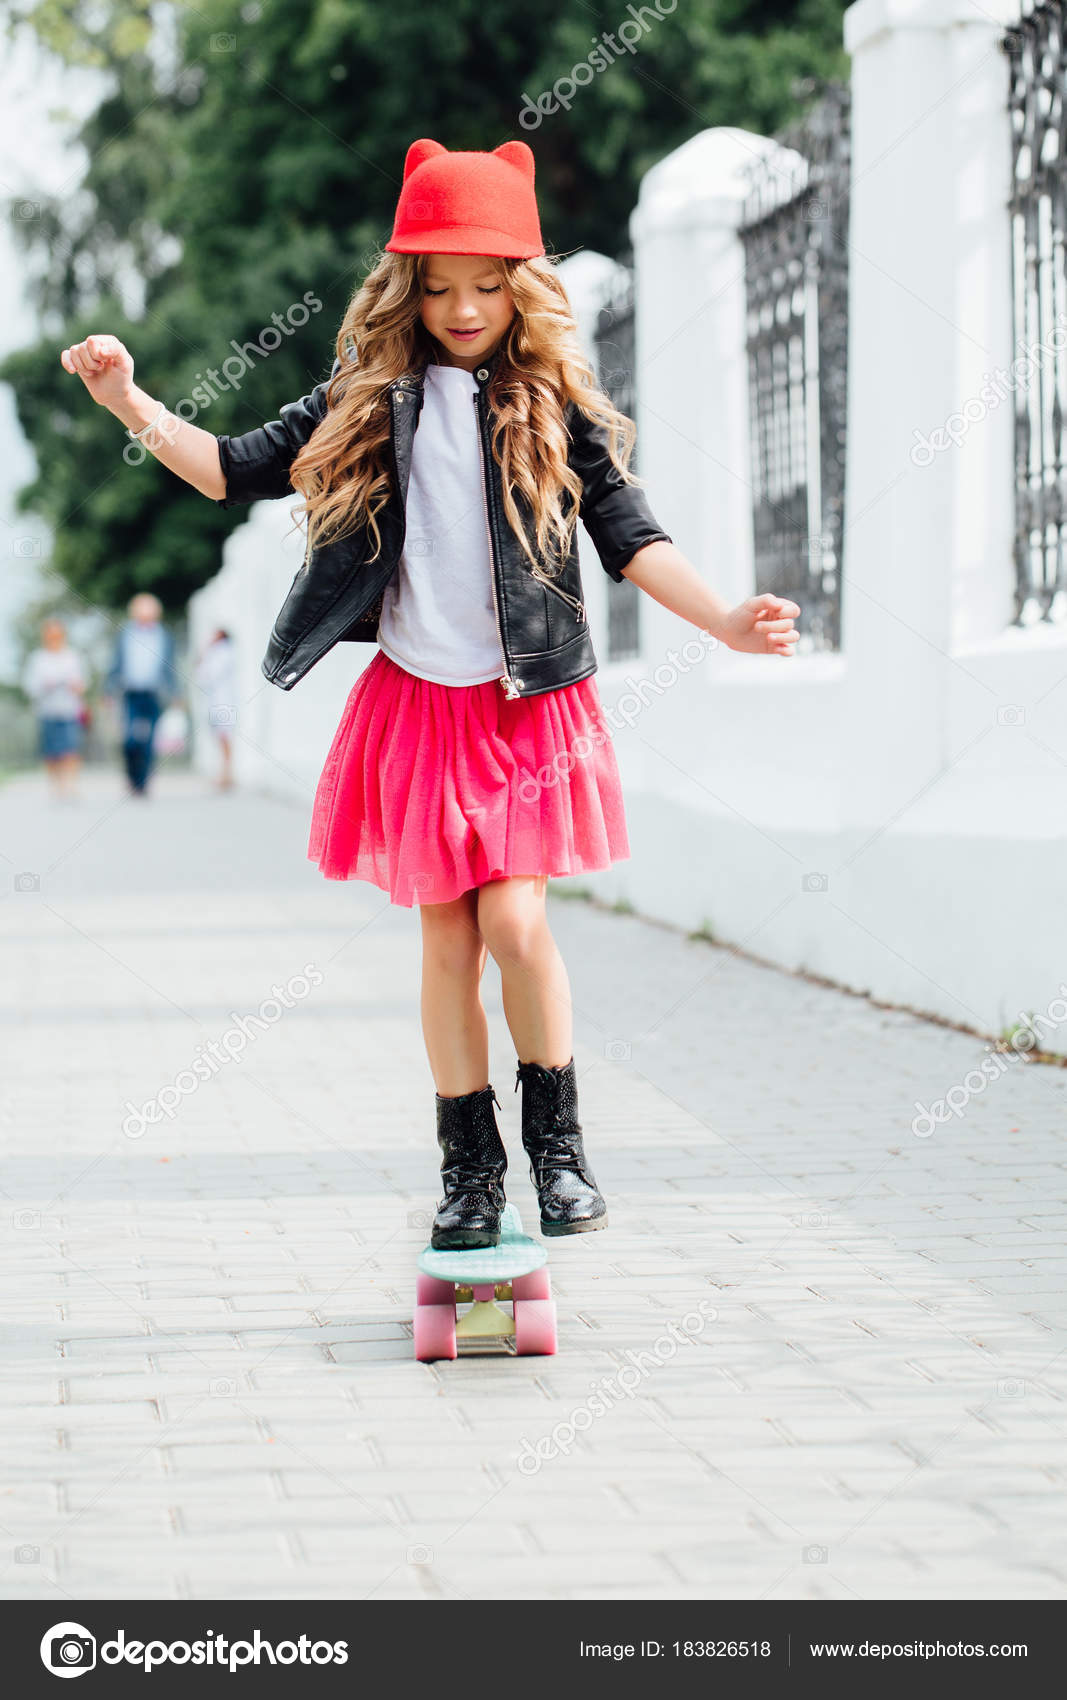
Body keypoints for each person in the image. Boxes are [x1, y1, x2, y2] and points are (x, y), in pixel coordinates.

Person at [58, 138, 799, 1252]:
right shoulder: (363, 399)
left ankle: (558, 1143)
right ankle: (468, 1168)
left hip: (526, 708)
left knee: (512, 917)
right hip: (417, 709)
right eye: (440, 284)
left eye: (487, 284)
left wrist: (725, 620)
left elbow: (629, 536)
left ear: (522, 285)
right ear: (407, 284)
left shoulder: (553, 404)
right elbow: (226, 467)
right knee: (446, 943)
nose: (462, 307)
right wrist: (129, 402)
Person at [103, 593, 180, 796]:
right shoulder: (125, 633)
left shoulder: (164, 636)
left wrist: (176, 694)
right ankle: (132, 776)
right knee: (130, 739)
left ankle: (143, 782)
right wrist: (108, 690)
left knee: (149, 740)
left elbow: (171, 667)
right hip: (131, 693)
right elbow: (115, 663)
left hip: (155, 694)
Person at [22, 618, 87, 800]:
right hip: (47, 710)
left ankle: (71, 785)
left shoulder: (73, 657)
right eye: (51, 635)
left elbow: (82, 684)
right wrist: (45, 685)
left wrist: (75, 686)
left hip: (69, 710)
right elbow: (30, 686)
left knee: (71, 749)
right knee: (51, 752)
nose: (54, 638)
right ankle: (55, 786)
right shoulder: (38, 658)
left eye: (57, 635)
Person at [194, 627, 237, 790]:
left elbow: (208, 676)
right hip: (216, 701)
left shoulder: (223, 652)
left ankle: (227, 774)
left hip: (223, 702)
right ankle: (223, 773)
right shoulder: (218, 652)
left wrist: (205, 654)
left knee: (224, 737)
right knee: (220, 738)